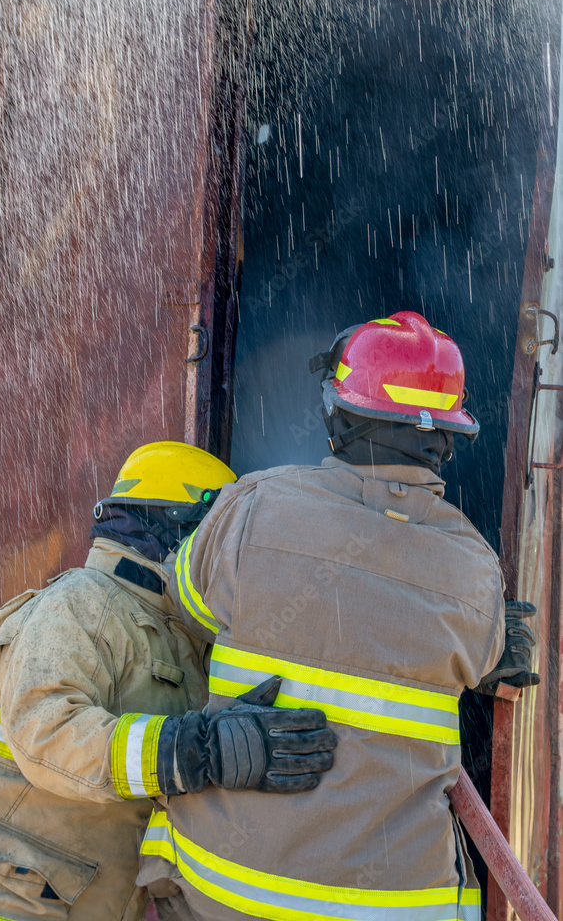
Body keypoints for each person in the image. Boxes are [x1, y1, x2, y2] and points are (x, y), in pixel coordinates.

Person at [137, 313, 539, 921]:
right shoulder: (475, 568)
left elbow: (184, 604)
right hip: (399, 905)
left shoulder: (254, 506)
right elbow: (486, 656)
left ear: (337, 417)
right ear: (447, 439)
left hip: (226, 893)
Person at [0, 441, 336, 921]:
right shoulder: (83, 603)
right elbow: (46, 730)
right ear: (179, 531)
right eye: (219, 542)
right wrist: (196, 749)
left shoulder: (176, 640)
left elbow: (157, 792)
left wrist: (219, 741)